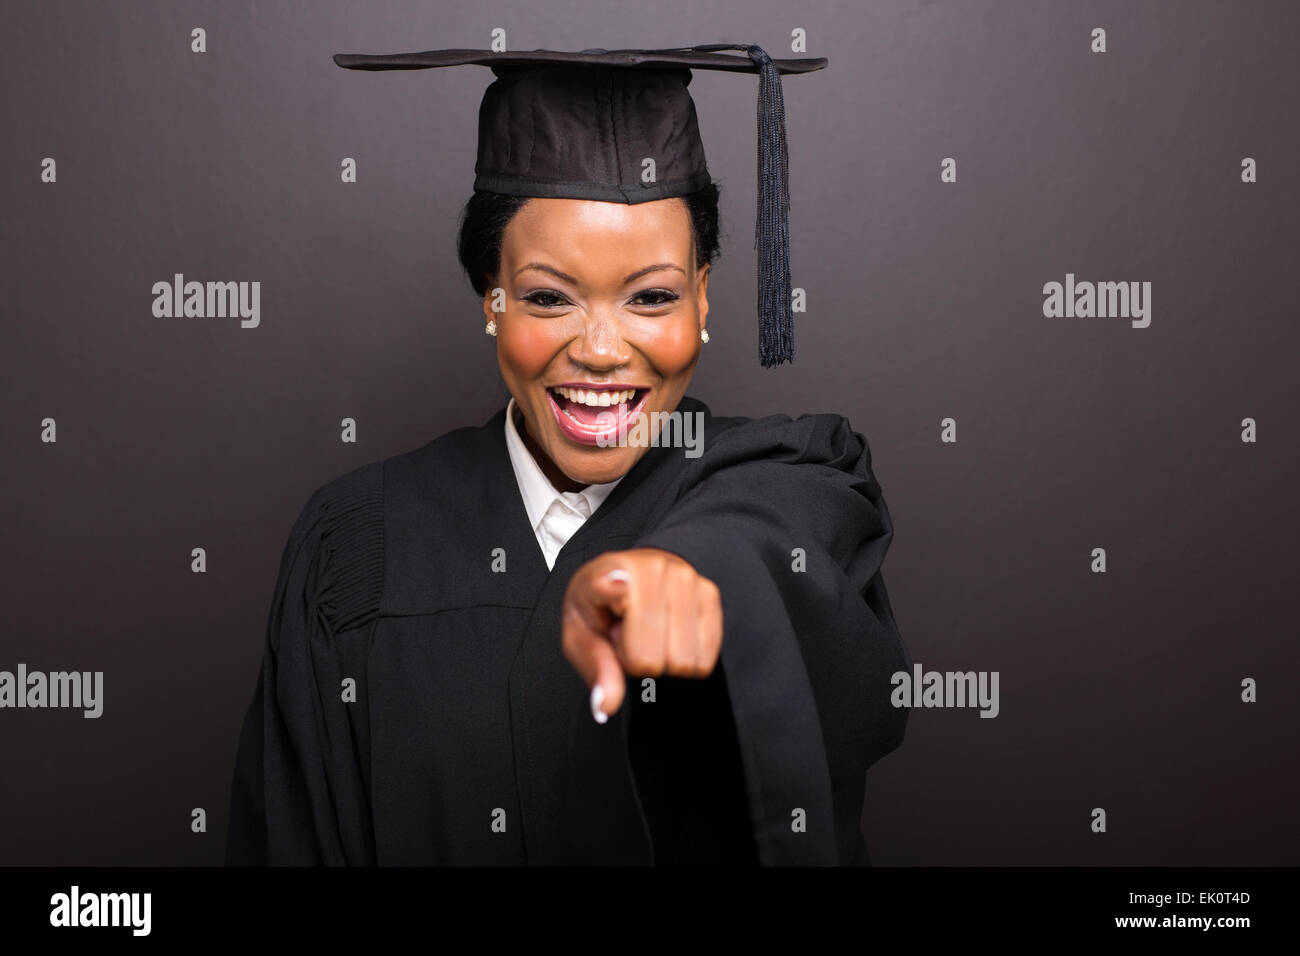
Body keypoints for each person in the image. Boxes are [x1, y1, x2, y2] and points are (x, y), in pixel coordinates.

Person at [225, 42, 910, 866]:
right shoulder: (356, 543)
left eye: (651, 297)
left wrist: (690, 574)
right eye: (548, 297)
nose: (599, 349)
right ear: (492, 297)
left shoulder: (782, 479)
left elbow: (768, 544)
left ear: (701, 299)